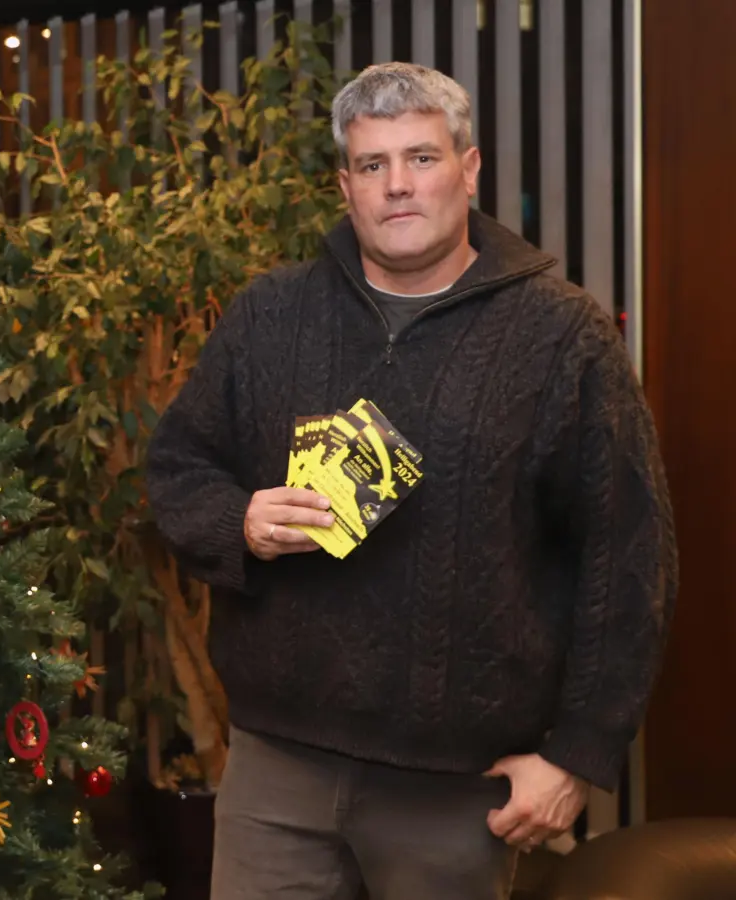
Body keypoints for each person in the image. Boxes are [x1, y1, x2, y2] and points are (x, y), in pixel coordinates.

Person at [146, 62, 677, 900]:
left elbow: (629, 559)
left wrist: (578, 753)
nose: (398, 185)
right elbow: (177, 467)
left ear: (469, 170)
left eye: (422, 159)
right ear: (345, 185)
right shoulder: (270, 314)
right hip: (274, 771)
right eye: (372, 164)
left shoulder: (563, 336)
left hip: (459, 790)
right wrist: (238, 521)